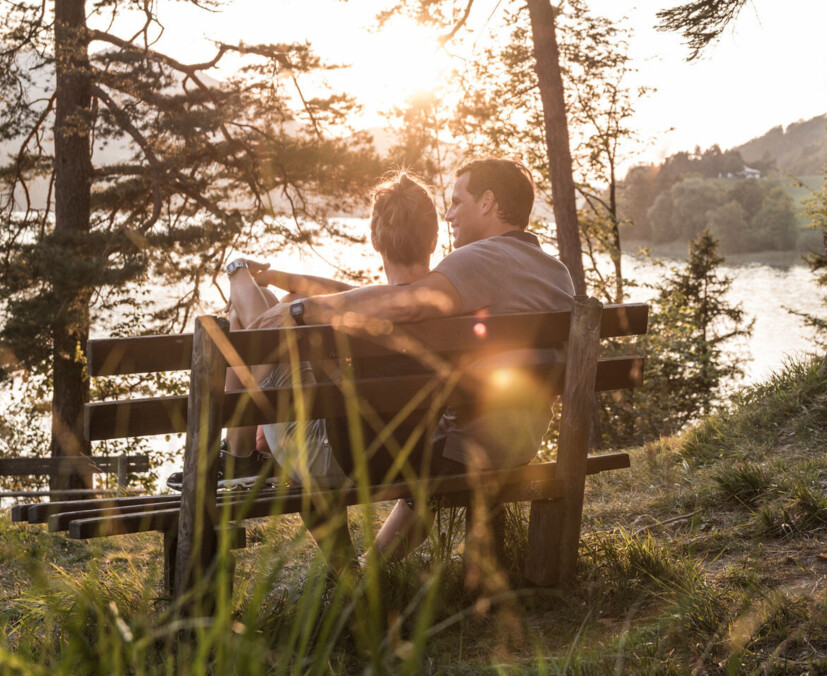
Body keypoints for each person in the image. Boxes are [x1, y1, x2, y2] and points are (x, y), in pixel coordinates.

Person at [234, 158, 575, 560]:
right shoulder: (554, 273)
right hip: (518, 441)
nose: (449, 214)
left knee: (261, 326)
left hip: (457, 447)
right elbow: (389, 294)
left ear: (488, 202)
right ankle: (368, 571)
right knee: (426, 455)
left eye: (457, 201)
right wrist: (293, 288)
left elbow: (405, 301)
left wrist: (297, 309)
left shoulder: (480, 259)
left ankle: (235, 458)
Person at [196, 171, 441, 492]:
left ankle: (238, 456)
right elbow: (348, 290)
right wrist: (279, 277)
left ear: (374, 240)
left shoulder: (372, 308)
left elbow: (343, 296)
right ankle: (239, 456)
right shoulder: (437, 305)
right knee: (271, 300)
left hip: (328, 460)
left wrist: (237, 268)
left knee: (245, 286)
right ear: (434, 239)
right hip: (401, 463)